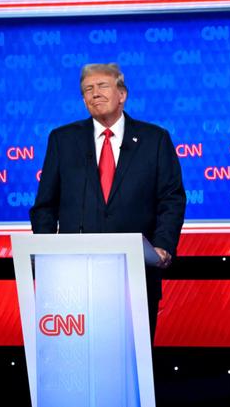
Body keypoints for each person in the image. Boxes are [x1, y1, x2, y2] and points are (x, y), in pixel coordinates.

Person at [30, 62, 186, 341]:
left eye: (102, 86)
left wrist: (162, 245)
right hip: (75, 275)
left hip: (135, 271)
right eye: (87, 90)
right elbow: (45, 205)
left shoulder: (155, 139)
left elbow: (171, 200)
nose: (94, 94)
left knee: (132, 357)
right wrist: (47, 253)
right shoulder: (62, 140)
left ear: (122, 94)